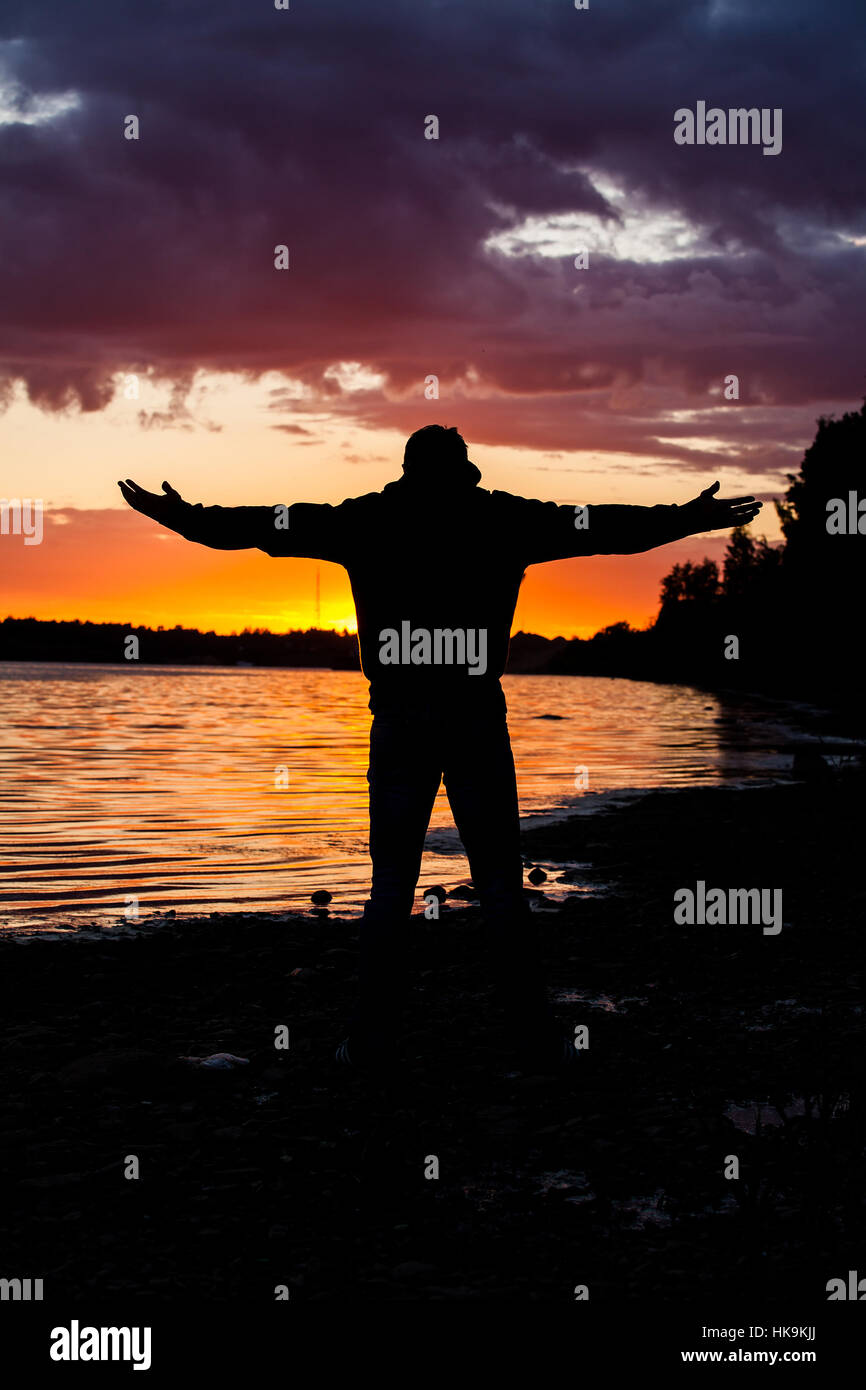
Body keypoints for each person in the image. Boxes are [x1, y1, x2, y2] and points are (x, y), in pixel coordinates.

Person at [119, 423, 761, 1070]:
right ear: (465, 473)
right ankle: (533, 1045)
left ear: (406, 471)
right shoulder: (502, 519)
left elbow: (262, 526)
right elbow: (602, 528)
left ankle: (370, 1047)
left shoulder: (368, 520)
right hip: (475, 715)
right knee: (501, 889)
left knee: (392, 889)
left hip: (399, 719)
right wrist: (686, 518)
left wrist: (182, 517)